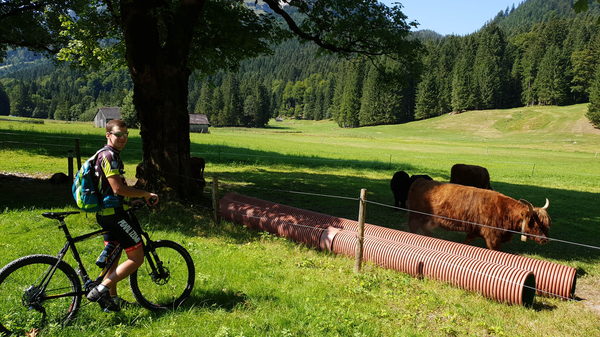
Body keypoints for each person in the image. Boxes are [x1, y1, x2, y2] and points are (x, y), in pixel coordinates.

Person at [86, 119, 159, 312]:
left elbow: (109, 191)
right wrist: (144, 193)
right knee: (136, 258)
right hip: (114, 217)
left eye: (126, 134)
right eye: (118, 134)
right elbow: (118, 188)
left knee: (113, 259)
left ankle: (113, 302)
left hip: (106, 212)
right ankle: (101, 289)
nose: (122, 138)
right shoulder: (109, 157)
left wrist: (129, 201)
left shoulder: (106, 154)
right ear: (108, 135)